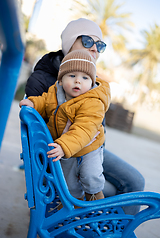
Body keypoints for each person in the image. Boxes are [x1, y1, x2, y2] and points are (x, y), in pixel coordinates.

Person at [24, 18, 145, 214]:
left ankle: (114, 231)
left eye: (100, 45)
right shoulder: (45, 79)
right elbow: (37, 131)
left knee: (136, 180)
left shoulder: (93, 84)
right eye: (88, 41)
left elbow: (93, 123)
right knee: (107, 186)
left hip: (90, 145)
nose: (95, 49)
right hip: (63, 153)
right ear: (70, 42)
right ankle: (94, 224)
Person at [20, 49, 111, 201]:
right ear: (61, 80)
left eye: (85, 77)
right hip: (66, 145)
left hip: (89, 145)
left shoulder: (93, 102)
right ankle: (72, 203)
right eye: (72, 75)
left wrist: (63, 146)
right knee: (67, 181)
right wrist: (33, 103)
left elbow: (84, 129)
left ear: (92, 82)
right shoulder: (55, 92)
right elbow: (44, 101)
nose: (78, 81)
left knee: (90, 174)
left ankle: (95, 197)